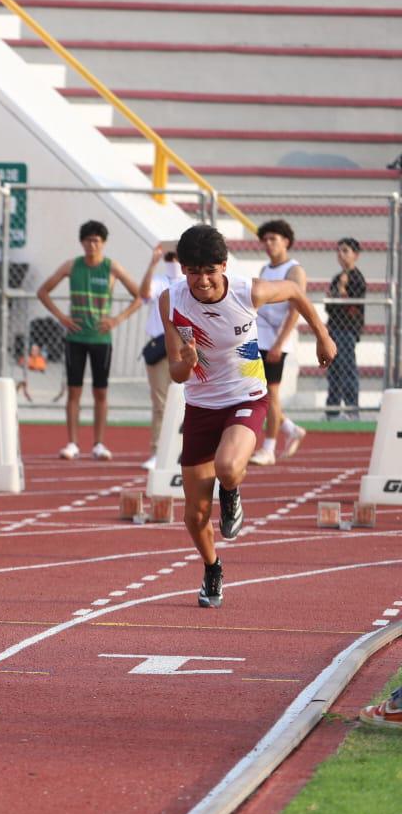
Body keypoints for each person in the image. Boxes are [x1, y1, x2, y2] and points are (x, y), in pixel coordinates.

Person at [160, 224, 335, 609]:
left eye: (210, 270)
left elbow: (293, 291)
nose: (202, 280)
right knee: (194, 514)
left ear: (223, 266)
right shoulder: (170, 300)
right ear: (184, 270)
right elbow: (175, 374)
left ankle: (233, 492)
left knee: (227, 465)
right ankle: (212, 567)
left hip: (246, 395)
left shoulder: (246, 291)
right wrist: (185, 363)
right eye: (193, 271)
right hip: (202, 405)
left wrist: (322, 335)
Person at [35, 220, 144, 460]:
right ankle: (72, 443)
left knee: (100, 393)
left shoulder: (111, 268)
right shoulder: (72, 266)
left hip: (101, 339)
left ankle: (99, 444)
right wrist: (61, 317)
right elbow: (43, 291)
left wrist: (117, 319)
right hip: (75, 337)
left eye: (96, 240)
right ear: (82, 242)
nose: (92, 245)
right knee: (74, 392)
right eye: (88, 240)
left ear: (103, 243)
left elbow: (140, 295)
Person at [250, 219, 308, 465]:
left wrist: (278, 344)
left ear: (286, 241)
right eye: (265, 239)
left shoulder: (294, 271)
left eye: (273, 239)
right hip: (258, 338)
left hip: (276, 342)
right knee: (255, 392)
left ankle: (268, 448)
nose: (268, 244)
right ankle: (290, 428)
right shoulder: (265, 270)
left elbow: (295, 310)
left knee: (271, 394)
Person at [137, 244, 183, 469]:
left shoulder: (188, 283)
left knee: (189, 402)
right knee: (160, 403)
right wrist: (152, 262)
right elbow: (144, 293)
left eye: (176, 256)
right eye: (169, 256)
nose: (172, 260)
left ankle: (182, 450)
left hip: (184, 347)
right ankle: (157, 451)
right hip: (160, 346)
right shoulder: (160, 281)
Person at [324, 237, 366, 420]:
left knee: (347, 369)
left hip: (347, 330)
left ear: (355, 255)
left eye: (345, 251)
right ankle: (332, 411)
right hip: (333, 329)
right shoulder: (336, 277)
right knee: (333, 371)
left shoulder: (357, 278)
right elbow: (329, 307)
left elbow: (351, 308)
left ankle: (351, 410)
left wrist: (341, 290)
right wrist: (337, 294)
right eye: (339, 250)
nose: (341, 254)